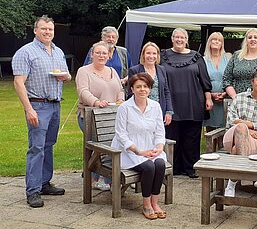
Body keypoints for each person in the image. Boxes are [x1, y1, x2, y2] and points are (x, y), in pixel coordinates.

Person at [12, 15, 72, 208]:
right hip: (37, 105)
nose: (48, 32)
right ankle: (33, 191)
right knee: (36, 148)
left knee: (48, 145)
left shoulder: (57, 51)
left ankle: (45, 183)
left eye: (50, 29)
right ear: (35, 30)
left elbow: (66, 75)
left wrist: (66, 77)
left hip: (55, 105)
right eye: (44, 29)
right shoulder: (25, 52)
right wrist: (28, 109)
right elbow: (18, 82)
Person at [111, 73, 167, 220]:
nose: (142, 89)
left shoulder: (155, 106)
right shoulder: (125, 108)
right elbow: (121, 135)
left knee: (160, 164)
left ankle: (155, 203)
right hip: (129, 151)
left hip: (150, 148)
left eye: (145, 86)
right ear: (132, 89)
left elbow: (160, 132)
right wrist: (138, 151)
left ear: (149, 89)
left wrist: (159, 148)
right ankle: (146, 205)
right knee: (149, 167)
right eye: (138, 87)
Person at [160, 28, 212, 179]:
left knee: (192, 137)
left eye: (182, 37)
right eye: (176, 37)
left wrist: (208, 98)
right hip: (171, 103)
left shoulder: (196, 57)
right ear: (172, 38)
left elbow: (205, 80)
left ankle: (191, 168)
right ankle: (174, 167)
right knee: (172, 136)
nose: (179, 40)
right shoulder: (162, 56)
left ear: (186, 39)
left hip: (193, 102)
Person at [222, 64, 257, 196]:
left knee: (238, 149)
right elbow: (232, 121)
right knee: (241, 128)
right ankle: (246, 176)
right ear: (252, 81)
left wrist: (249, 126)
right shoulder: (239, 98)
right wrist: (245, 128)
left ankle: (232, 183)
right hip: (231, 137)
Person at [76, 41, 125, 191]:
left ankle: (102, 178)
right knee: (103, 147)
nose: (101, 55)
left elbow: (120, 89)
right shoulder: (83, 71)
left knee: (112, 145)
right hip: (89, 117)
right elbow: (83, 91)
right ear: (92, 54)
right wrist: (96, 102)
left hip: (111, 117)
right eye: (98, 52)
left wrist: (121, 99)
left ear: (109, 56)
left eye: (104, 53)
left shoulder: (112, 71)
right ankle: (108, 180)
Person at [223, 28, 257, 97]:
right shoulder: (236, 56)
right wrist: (235, 98)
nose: (253, 39)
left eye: (255, 37)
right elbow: (226, 79)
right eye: (250, 37)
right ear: (246, 41)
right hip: (238, 100)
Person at [128, 42, 173, 124]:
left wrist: (169, 111)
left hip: (159, 110)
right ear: (143, 55)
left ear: (158, 56)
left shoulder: (162, 69)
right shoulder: (134, 70)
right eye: (148, 53)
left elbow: (166, 91)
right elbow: (131, 93)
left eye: (154, 53)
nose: (151, 56)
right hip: (141, 111)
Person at [203, 32, 232, 131]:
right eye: (214, 39)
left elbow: (232, 77)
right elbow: (201, 80)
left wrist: (225, 93)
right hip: (209, 99)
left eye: (219, 40)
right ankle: (211, 147)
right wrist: (210, 95)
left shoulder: (228, 58)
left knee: (226, 129)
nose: (216, 41)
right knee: (211, 130)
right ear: (209, 42)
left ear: (222, 44)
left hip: (226, 97)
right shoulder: (203, 60)